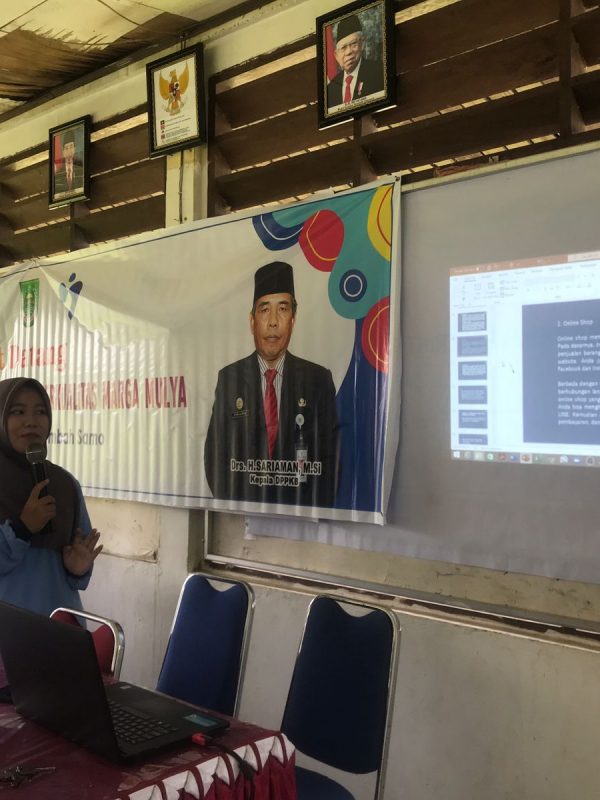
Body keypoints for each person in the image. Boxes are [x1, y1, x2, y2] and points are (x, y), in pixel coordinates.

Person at [204, 261, 339, 507]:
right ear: (252, 321)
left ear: (293, 319)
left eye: (283, 309)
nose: (273, 322)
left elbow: (331, 462)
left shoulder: (317, 381)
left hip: (301, 518)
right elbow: (215, 458)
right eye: (265, 309)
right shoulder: (230, 379)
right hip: (246, 515)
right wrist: (238, 509)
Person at [0, 377, 102, 617]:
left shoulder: (65, 484)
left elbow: (76, 574)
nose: (31, 421)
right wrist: (22, 529)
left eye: (41, 412)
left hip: (59, 628)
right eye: (18, 412)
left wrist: (78, 568)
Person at [326, 13, 384, 109]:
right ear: (336, 55)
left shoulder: (379, 71)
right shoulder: (331, 89)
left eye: (353, 44)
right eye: (343, 48)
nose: (349, 52)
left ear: (362, 44)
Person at [53, 128, 84, 197]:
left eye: (71, 146)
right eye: (66, 148)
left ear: (74, 149)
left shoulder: (81, 170)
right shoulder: (57, 175)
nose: (69, 151)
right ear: (63, 152)